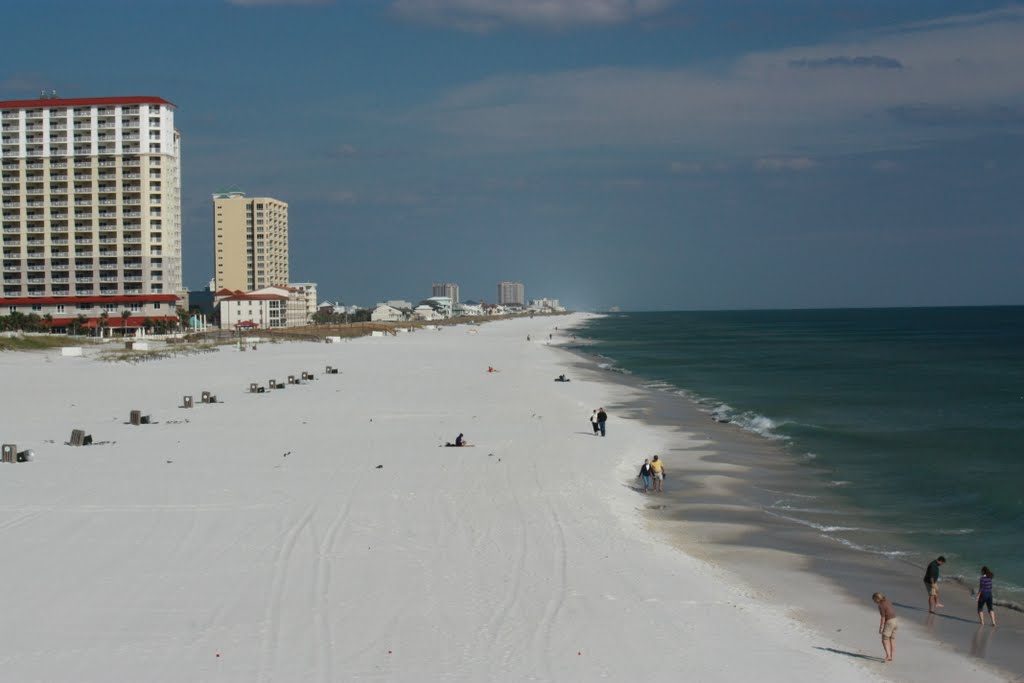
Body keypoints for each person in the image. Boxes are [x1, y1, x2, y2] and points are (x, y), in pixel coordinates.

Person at [872, 592, 898, 662]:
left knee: (884, 639)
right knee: (892, 639)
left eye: (874, 600)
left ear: (877, 599)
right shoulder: (887, 601)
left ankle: (888, 656)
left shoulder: (881, 606)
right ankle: (891, 656)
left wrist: (881, 627)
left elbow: (883, 617)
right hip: (895, 620)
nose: (874, 602)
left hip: (889, 622)